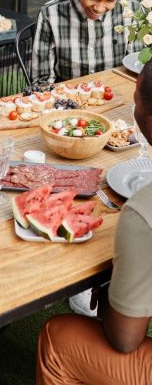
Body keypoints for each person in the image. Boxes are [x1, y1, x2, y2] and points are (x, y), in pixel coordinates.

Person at [36, 58, 152, 384]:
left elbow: (124, 339)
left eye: (136, 103)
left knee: (58, 336)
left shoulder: (144, 209)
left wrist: (116, 292)